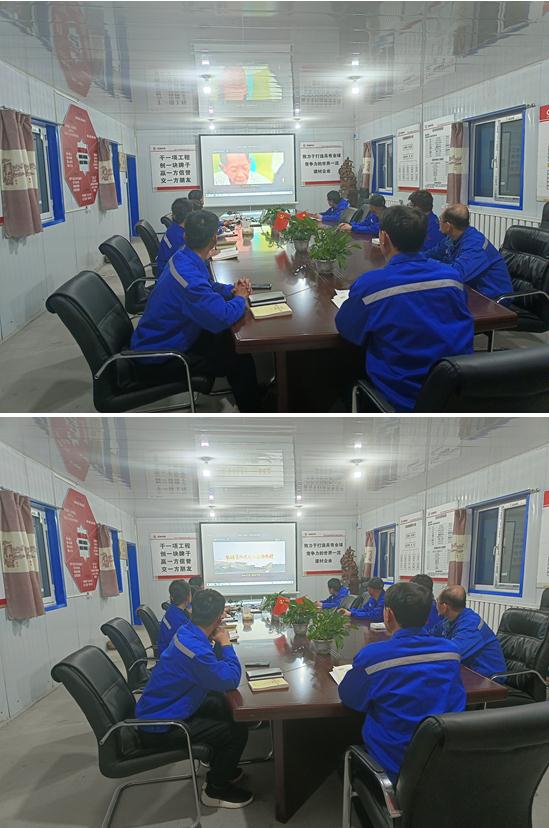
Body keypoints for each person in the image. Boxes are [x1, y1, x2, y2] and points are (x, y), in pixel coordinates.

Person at [335, 205, 474, 412]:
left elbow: (346, 329)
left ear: (384, 238)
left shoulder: (371, 285)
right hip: (455, 393)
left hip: (403, 399)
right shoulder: (451, 278)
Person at [131, 210, 261, 412]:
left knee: (228, 341)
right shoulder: (188, 278)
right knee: (237, 355)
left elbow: (207, 285)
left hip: (160, 337)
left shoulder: (183, 256)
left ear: (185, 235)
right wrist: (240, 298)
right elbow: (222, 317)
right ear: (213, 239)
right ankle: (255, 411)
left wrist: (231, 290)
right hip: (160, 356)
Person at [339, 582, 466, 783]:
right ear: (427, 616)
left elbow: (350, 698)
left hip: (393, 766)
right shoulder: (451, 652)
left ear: (388, 614)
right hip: (443, 761)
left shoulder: (373, 657)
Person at [136, 589, 253, 808]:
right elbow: (229, 679)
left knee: (221, 704)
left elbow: (213, 670)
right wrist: (225, 643)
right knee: (235, 731)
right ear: (219, 618)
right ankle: (215, 790)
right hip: (160, 726)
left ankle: (222, 766)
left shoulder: (187, 631)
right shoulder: (195, 650)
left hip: (162, 707)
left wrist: (217, 642)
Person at [424, 203, 513, 300]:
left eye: (440, 219)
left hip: (492, 298)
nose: (438, 222)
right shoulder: (451, 238)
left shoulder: (475, 244)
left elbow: (457, 273)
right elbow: (432, 253)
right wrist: (416, 259)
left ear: (448, 226)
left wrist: (430, 264)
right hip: (470, 289)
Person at [436, 585, 506, 679]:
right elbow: (431, 634)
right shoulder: (450, 619)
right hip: (469, 671)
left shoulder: (471, 625)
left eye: (437, 601)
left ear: (444, 606)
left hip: (489, 678)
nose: (436, 604)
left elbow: (452, 653)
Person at [156, 198, 193, 276]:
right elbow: (189, 261)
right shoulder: (179, 236)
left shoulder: (176, 229)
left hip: (170, 270)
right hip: (171, 275)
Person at [157, 579, 191, 656]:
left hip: (166, 651)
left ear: (172, 597)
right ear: (188, 597)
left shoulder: (172, 611)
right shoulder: (180, 620)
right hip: (172, 656)